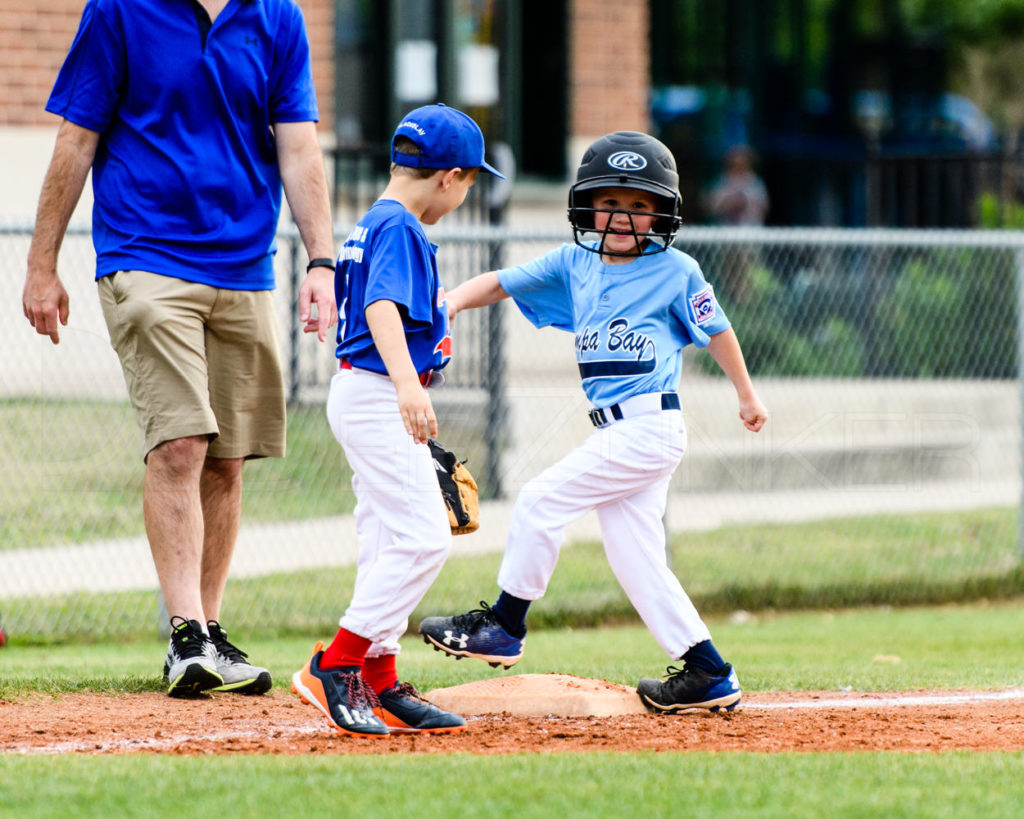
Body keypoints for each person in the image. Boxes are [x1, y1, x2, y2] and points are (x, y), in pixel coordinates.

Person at [21, 0, 337, 698]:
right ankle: (184, 631)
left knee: (226, 458)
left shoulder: (277, 16)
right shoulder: (120, 10)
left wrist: (322, 261)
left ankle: (211, 632)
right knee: (181, 443)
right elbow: (76, 140)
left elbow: (299, 145)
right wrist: (41, 265)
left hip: (243, 264)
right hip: (145, 252)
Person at [419, 131, 768, 713]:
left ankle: (506, 623)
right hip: (617, 431)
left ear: (662, 213)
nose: (624, 216)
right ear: (587, 206)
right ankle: (708, 670)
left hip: (650, 427)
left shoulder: (676, 270)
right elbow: (503, 282)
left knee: (538, 499)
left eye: (639, 205)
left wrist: (746, 395)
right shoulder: (574, 263)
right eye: (610, 202)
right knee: (636, 559)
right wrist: (450, 301)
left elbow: (718, 329)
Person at [289, 104, 506, 737]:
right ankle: (337, 663)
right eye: (469, 182)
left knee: (388, 539)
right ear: (449, 178)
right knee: (422, 537)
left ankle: (379, 680)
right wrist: (410, 388)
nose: (464, 195)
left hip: (366, 391)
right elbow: (382, 305)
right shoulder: (403, 227)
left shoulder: (377, 222)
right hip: (381, 392)